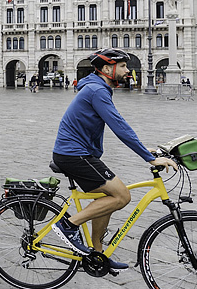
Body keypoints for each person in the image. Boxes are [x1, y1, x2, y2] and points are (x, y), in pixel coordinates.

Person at [50, 49, 177, 272]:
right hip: (74, 155)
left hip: (78, 154)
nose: (128, 70)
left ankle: (97, 256)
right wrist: (148, 158)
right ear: (108, 69)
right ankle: (67, 225)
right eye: (124, 66)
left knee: (106, 199)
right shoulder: (97, 90)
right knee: (122, 195)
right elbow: (119, 126)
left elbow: (116, 125)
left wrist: (144, 149)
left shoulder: (98, 88)